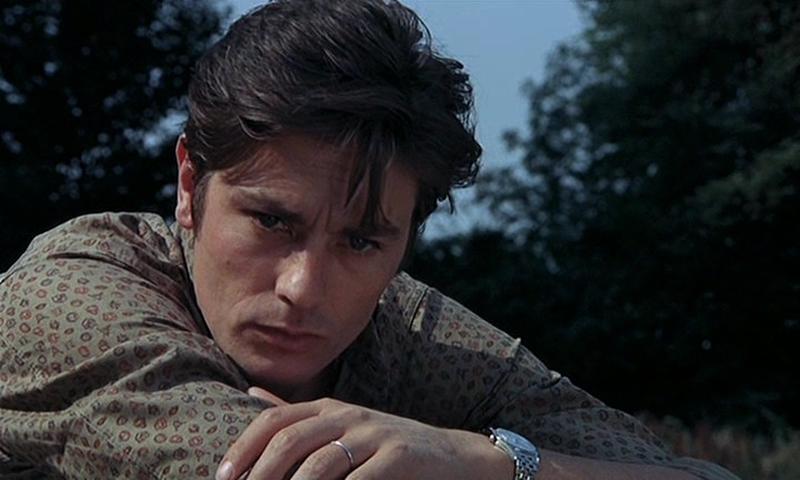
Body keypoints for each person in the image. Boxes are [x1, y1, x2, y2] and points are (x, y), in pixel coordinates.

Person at [0, 1, 739, 479]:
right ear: (190, 185)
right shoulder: (67, 294)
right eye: (272, 222)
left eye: (360, 243)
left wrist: (482, 460)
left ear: (407, 238)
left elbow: (695, 476)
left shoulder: (412, 331)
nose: (303, 288)